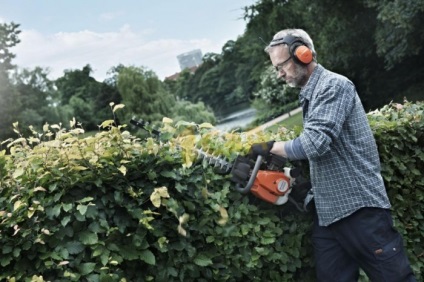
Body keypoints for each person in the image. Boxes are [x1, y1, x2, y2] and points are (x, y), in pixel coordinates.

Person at [249, 28, 416, 281]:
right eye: (276, 68)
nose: (279, 73)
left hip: (360, 210)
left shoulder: (334, 86)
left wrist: (271, 147)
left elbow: (315, 144)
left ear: (303, 55)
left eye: (281, 65)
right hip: (329, 215)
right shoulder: (311, 93)